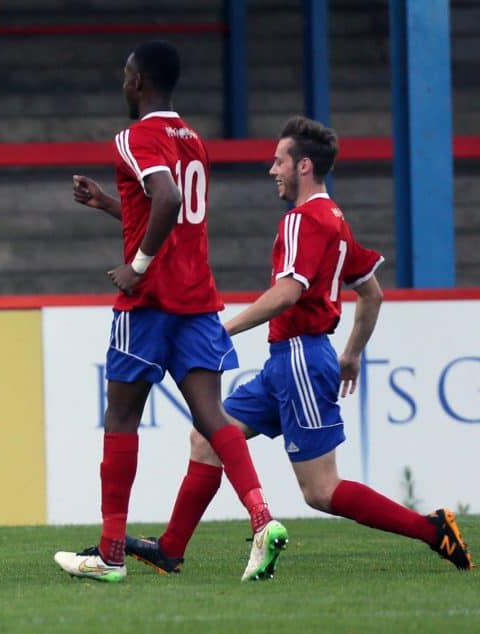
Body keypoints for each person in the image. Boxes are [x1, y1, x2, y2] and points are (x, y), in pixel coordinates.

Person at [122, 116, 474, 576]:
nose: (273, 170)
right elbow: (372, 292)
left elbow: (288, 292)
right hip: (289, 361)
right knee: (206, 437)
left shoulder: (302, 221)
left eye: (279, 161)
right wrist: (350, 354)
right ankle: (170, 549)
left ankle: (434, 531)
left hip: (301, 360)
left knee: (321, 490)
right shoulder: (336, 220)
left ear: (303, 166)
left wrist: (222, 329)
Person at [52, 40, 287, 584]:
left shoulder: (134, 137)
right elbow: (166, 209)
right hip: (197, 300)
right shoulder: (192, 139)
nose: (123, 82)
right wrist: (109, 204)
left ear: (138, 82)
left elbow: (167, 201)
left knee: (121, 418)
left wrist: (136, 265)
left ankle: (110, 554)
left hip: (150, 303)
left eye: (126, 74)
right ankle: (262, 516)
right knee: (213, 416)